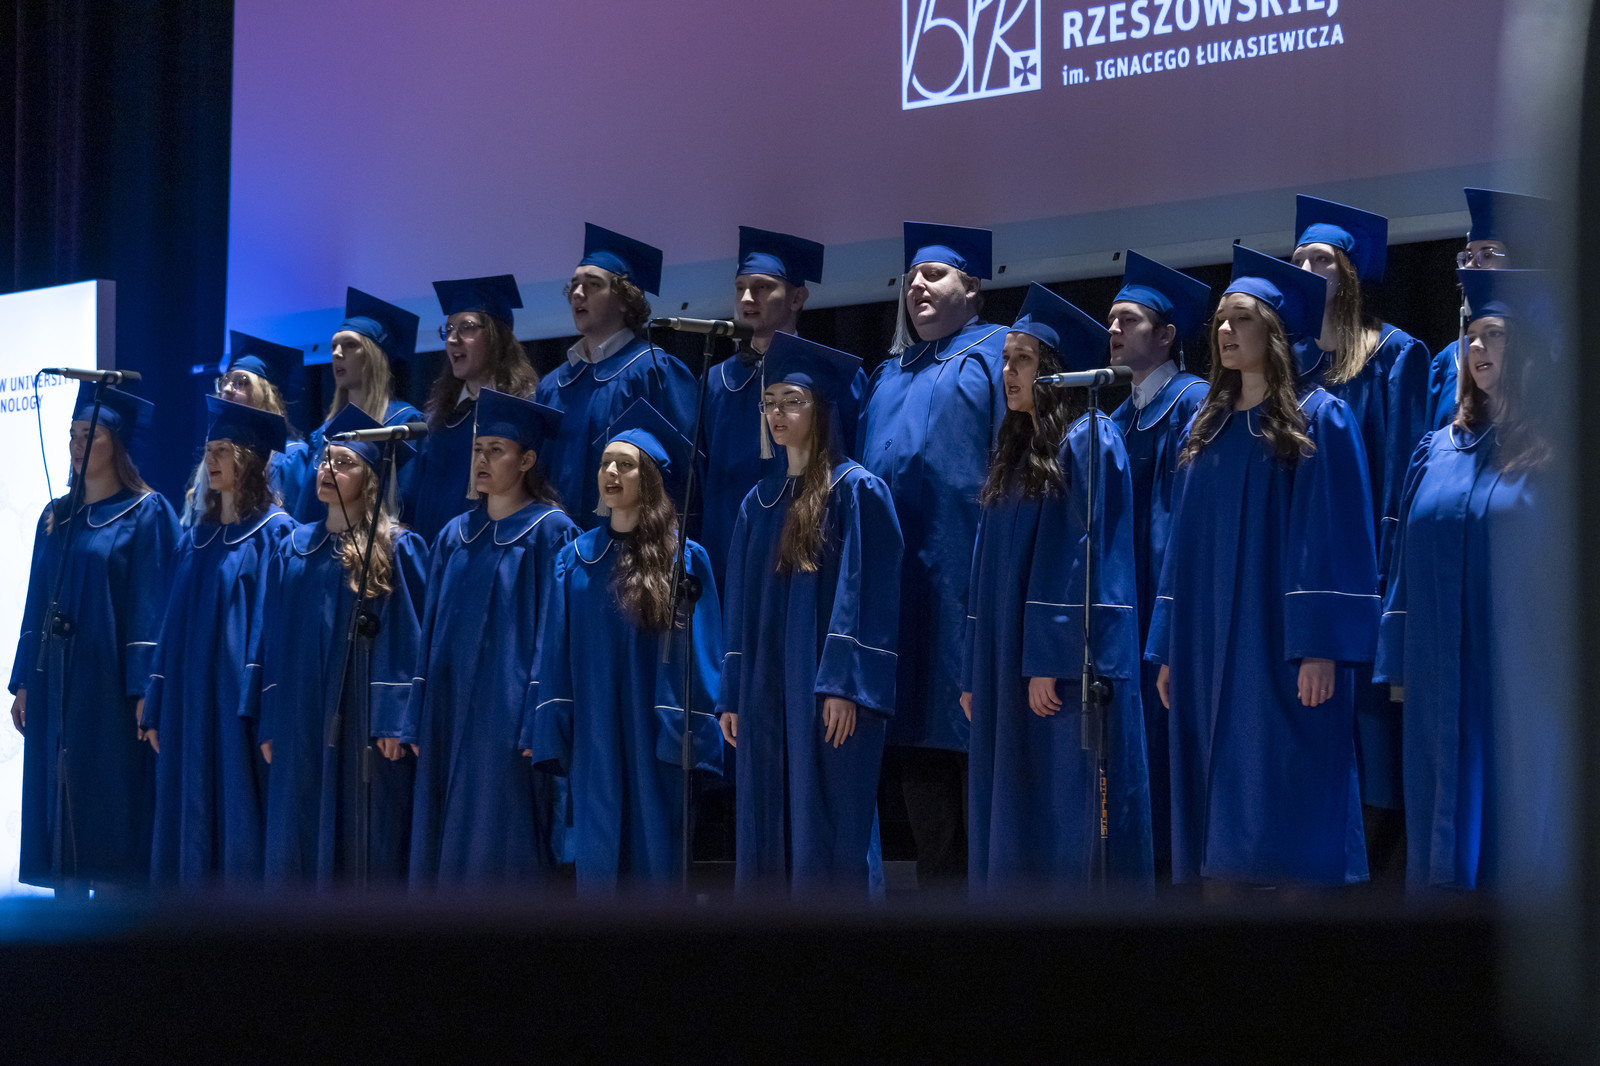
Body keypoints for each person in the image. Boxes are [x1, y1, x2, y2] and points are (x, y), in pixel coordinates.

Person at [1148, 246, 1379, 893]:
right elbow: (1180, 547)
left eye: (1242, 319)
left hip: (1279, 648)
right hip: (1204, 648)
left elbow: (1332, 538)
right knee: (1217, 821)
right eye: (1221, 320)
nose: (1225, 330)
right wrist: (1168, 647)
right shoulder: (1205, 429)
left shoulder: (1319, 418)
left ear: (1275, 332)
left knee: (1287, 805)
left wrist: (1320, 647)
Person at [960, 284, 1151, 894]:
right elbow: (984, 568)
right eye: (1006, 359)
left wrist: (1051, 659)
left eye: (1023, 360)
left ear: (1056, 372)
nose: (1008, 372)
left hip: (1060, 672)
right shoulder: (1016, 451)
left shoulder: (1090, 438)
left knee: (1064, 811)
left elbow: (1085, 555)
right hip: (1007, 662)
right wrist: (974, 669)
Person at [1376, 269, 1552, 891]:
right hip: (1435, 675)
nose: (1477, 348)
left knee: (1517, 814)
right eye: (1472, 335)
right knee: (1439, 818)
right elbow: (1403, 564)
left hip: (1521, 674)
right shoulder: (1437, 449)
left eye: (1494, 334)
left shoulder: (1557, 455)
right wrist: (1398, 661)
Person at [718, 333, 903, 895]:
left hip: (827, 691)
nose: (778, 413)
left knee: (829, 818)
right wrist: (732, 693)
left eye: (792, 401)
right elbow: (740, 607)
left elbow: (866, 594)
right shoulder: (758, 503)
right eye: (770, 402)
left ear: (821, 409)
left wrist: (845, 685)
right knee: (766, 814)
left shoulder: (856, 490)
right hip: (764, 686)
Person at [858, 221, 1006, 888]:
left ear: (972, 288)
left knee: (978, 759)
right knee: (917, 756)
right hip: (903, 597)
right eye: (911, 276)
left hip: (968, 588)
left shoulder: (997, 354)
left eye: (935, 274)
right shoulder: (887, 377)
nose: (917, 284)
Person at [1288, 195, 1432, 880]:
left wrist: (1388, 584)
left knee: (1375, 754)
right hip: (1302, 579)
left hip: (1368, 579)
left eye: (1321, 259)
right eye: (1297, 260)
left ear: (1349, 273)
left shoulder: (1395, 354)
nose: (1305, 270)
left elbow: (1404, 474)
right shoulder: (1289, 365)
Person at [526, 400, 723, 893]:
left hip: (658, 735)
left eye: (625, 464)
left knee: (656, 863)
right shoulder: (575, 560)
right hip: (595, 736)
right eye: (605, 464)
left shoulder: (684, 559)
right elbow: (555, 655)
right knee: (598, 863)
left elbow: (702, 655)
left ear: (650, 479)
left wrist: (689, 733)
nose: (610, 472)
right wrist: (553, 730)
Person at [9, 383, 179, 892]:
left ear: (118, 444)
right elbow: (37, 602)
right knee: (60, 807)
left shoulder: (146, 513)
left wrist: (144, 690)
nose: (77, 444)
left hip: (110, 691)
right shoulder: (56, 516)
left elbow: (153, 605)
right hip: (57, 684)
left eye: (91, 434)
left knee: (109, 813)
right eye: (73, 434)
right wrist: (25, 681)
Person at [406, 389, 578, 890]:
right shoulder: (454, 535)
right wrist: (417, 715)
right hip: (447, 707)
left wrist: (539, 721)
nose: (481, 460)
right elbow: (429, 633)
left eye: (496, 450)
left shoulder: (551, 532)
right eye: (478, 449)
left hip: (510, 716)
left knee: (501, 837)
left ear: (526, 460)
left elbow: (555, 634)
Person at [259, 404, 429, 888]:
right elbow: (273, 639)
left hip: (364, 722)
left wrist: (394, 720)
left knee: (364, 835)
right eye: (325, 459)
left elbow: (408, 635)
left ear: (371, 478)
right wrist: (271, 719)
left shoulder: (396, 547)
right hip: (300, 719)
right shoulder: (293, 547)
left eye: (345, 462)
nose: (327, 469)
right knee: (297, 835)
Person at [142, 397, 294, 887]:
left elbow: (273, 628)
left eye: (224, 450)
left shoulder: (276, 534)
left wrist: (263, 707)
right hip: (188, 701)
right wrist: (156, 702)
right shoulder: (195, 539)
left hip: (238, 703)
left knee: (238, 804)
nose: (212, 460)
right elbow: (169, 627)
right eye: (209, 450)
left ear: (249, 460)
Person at [1105, 250, 1211, 883]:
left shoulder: (1192, 403)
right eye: (1111, 319)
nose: (1113, 329)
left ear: (1168, 335)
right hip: (1127, 605)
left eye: (1129, 320)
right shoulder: (1116, 419)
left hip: (1168, 608)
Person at [699, 226, 866, 588]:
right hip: (731, 552)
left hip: (811, 549)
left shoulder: (833, 376)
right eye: (740, 287)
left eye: (762, 287)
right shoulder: (715, 383)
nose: (747, 297)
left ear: (797, 297)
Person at [535, 224, 696, 527]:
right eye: (575, 285)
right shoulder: (553, 385)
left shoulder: (654, 371)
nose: (577, 294)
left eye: (593, 284)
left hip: (632, 541)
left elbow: (681, 471)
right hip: (560, 545)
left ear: (625, 299)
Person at [404, 274, 540, 543]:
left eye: (466, 328)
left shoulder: (522, 411)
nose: (452, 339)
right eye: (448, 329)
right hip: (440, 551)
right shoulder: (439, 422)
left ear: (497, 336)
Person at [291, 287, 424, 521]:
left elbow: (407, 501)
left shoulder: (404, 422)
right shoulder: (323, 433)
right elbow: (307, 511)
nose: (337, 354)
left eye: (350, 345)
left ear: (374, 356)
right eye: (334, 346)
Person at [1426, 188, 1550, 431]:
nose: (1471, 266)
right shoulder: (1449, 360)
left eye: (1488, 254)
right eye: (1468, 256)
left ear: (1518, 262)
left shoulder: (1547, 352)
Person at [211, 331, 314, 520]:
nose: (227, 389)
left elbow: (296, 525)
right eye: (224, 381)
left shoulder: (291, 457)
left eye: (241, 383)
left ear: (265, 395)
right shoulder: (216, 455)